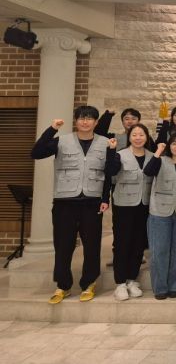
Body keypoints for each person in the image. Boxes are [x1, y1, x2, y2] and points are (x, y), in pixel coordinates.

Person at [31, 106, 110, 304]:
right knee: (63, 246)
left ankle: (89, 283)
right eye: (81, 118)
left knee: (92, 246)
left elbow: (109, 174)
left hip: (92, 203)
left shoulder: (105, 143)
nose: (85, 121)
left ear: (96, 122)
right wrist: (52, 129)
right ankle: (63, 286)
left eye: (89, 118)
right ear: (76, 121)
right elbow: (36, 153)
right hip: (64, 203)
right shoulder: (61, 141)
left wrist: (105, 199)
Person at [105, 123, 154, 301]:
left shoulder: (152, 156)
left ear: (146, 137)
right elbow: (110, 172)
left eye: (141, 134)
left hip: (144, 205)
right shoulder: (120, 154)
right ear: (129, 137)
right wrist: (111, 152)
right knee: (122, 243)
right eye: (134, 135)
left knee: (138, 243)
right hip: (123, 205)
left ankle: (132, 279)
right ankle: (120, 283)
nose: (138, 138)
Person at [143, 131, 176, 299]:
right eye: (174, 143)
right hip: (159, 213)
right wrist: (158, 151)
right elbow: (148, 171)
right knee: (159, 251)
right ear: (169, 146)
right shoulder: (161, 160)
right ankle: (160, 288)